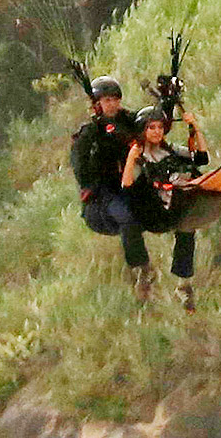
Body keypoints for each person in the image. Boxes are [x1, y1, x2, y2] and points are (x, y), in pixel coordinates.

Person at [122, 105, 221, 313]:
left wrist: (194, 127)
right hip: (165, 209)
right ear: (143, 131)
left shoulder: (171, 150)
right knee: (212, 181)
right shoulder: (141, 158)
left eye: (159, 127)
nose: (156, 132)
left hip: (185, 200)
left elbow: (201, 158)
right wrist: (131, 158)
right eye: (151, 128)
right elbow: (127, 185)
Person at [70, 76, 155, 300]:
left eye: (115, 99)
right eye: (106, 100)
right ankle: (140, 270)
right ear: (98, 103)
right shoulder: (89, 133)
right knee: (126, 217)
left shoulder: (127, 120)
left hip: (128, 182)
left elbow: (150, 125)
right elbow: (80, 167)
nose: (112, 104)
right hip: (103, 193)